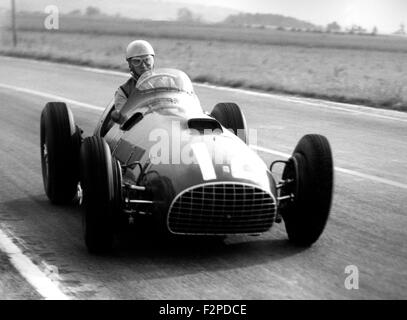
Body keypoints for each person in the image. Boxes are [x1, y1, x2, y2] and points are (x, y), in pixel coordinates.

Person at [114, 40, 155, 112]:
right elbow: (123, 121)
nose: (143, 65)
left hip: (166, 122)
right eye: (137, 61)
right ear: (130, 65)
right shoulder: (123, 92)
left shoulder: (168, 82)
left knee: (177, 122)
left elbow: (177, 110)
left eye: (147, 60)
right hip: (141, 123)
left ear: (153, 61)